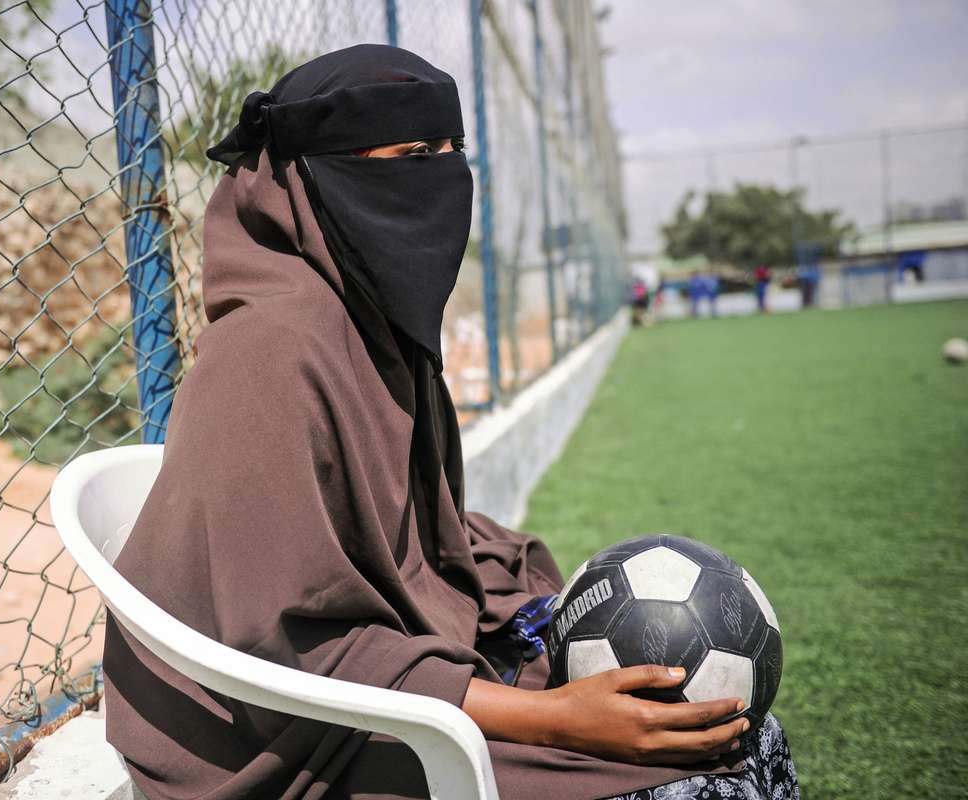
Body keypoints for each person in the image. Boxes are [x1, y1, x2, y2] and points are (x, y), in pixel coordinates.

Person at [102, 45, 798, 800]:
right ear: (318, 177)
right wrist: (558, 720)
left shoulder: (374, 327)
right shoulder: (271, 350)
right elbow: (279, 639)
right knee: (681, 776)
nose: (440, 174)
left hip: (379, 670)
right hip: (270, 733)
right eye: (410, 154)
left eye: (449, 150)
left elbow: (406, 539)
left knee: (723, 729)